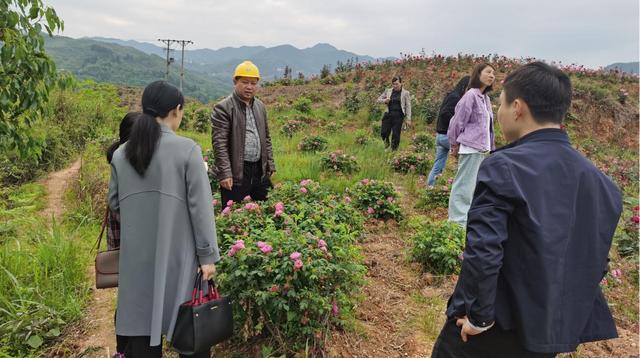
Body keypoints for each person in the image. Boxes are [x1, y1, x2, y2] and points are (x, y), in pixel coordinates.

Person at [431, 62, 622, 358]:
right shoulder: (603, 184)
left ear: (518, 107)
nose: (500, 112)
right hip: (547, 335)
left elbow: (484, 250)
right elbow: (595, 263)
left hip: (493, 330)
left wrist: (479, 317)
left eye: (502, 104)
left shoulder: (504, 166)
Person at [108, 80, 219, 357]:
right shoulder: (188, 150)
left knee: (140, 332)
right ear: (176, 110)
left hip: (137, 260)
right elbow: (201, 208)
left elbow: (114, 202)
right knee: (190, 328)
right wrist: (207, 258)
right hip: (180, 259)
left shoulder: (121, 154)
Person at [211, 60, 276, 205]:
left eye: (253, 83)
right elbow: (219, 144)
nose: (249, 87)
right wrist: (225, 173)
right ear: (235, 81)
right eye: (245, 82)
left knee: (265, 210)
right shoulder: (224, 108)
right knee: (234, 214)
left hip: (259, 170)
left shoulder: (260, 106)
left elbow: (266, 138)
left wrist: (270, 165)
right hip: (237, 171)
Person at [105, 111, 139, 357]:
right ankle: (124, 350)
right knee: (130, 301)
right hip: (130, 248)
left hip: (125, 247)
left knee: (128, 300)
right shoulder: (127, 164)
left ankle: (124, 350)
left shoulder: (120, 161)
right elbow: (117, 209)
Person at [447, 63, 496, 226]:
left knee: (474, 186)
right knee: (464, 186)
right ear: (478, 74)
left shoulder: (486, 99)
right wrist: (454, 144)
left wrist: (492, 148)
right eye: (488, 72)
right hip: (471, 147)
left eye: (493, 73)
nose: (492, 75)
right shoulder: (471, 95)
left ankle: (467, 220)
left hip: (482, 149)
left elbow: (488, 128)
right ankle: (456, 223)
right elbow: (457, 121)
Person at [426, 76, 470, 187]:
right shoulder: (455, 97)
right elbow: (445, 113)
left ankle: (430, 188)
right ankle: (458, 188)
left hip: (441, 136)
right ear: (465, 86)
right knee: (465, 161)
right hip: (448, 136)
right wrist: (457, 123)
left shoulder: (451, 95)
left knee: (438, 165)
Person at [376, 76, 412, 150]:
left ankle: (393, 151)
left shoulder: (405, 93)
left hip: (398, 116)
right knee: (383, 132)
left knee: (396, 135)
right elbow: (378, 100)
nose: (395, 86)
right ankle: (387, 144)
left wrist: (408, 119)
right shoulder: (388, 91)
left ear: (401, 83)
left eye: (397, 84)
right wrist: (385, 100)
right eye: (393, 84)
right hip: (388, 114)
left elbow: (408, 106)